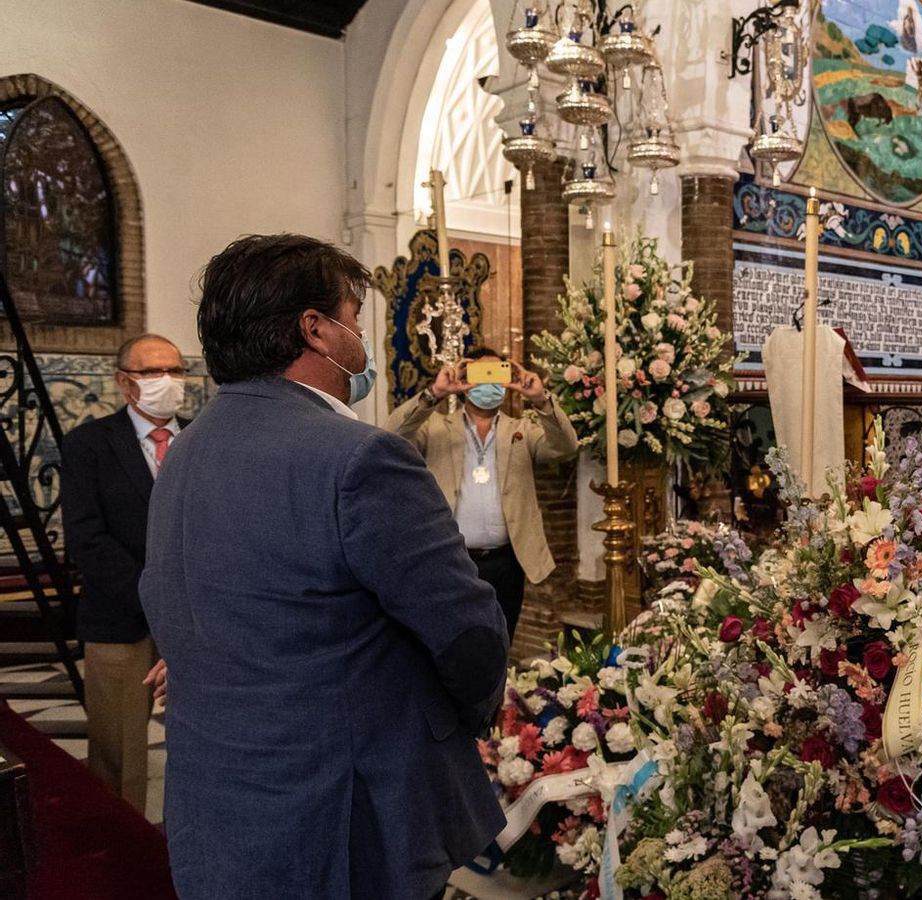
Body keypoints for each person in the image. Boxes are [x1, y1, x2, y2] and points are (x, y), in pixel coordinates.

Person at [139, 233, 507, 900]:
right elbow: (468, 634)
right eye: (354, 316)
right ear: (316, 329)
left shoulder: (184, 453)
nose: (359, 335)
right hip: (337, 809)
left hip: (217, 796)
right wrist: (467, 716)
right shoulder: (359, 459)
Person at [60, 333, 189, 811]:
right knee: (118, 750)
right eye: (153, 372)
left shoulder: (202, 439)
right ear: (123, 382)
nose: (168, 382)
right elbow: (86, 539)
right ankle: (125, 846)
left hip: (197, 618)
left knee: (207, 742)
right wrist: (154, 596)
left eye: (175, 371)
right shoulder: (88, 445)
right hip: (119, 616)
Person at [384, 347, 577, 640]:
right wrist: (434, 393)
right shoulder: (435, 428)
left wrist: (540, 399)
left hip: (507, 562)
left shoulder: (523, 429)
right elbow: (391, 436)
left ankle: (498, 687)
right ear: (464, 382)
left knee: (501, 641)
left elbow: (566, 447)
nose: (489, 384)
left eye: (496, 375)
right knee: (453, 642)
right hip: (451, 560)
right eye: (480, 375)